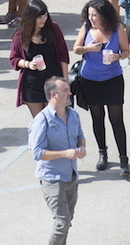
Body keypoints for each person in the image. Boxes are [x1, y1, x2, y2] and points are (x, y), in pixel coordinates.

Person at [72, 0, 130, 178]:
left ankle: (123, 159)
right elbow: (76, 48)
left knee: (116, 119)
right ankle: (102, 153)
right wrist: (87, 49)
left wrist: (118, 56)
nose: (91, 18)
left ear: (103, 15)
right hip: (90, 80)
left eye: (94, 15)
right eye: (89, 15)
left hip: (112, 80)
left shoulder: (117, 28)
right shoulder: (87, 28)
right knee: (97, 118)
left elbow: (127, 51)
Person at [27, 76, 86, 245]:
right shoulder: (41, 120)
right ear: (54, 95)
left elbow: (80, 137)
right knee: (62, 223)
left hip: (71, 177)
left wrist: (82, 148)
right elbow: (37, 152)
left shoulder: (73, 115)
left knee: (67, 221)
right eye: (65, 90)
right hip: (52, 179)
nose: (70, 93)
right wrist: (64, 153)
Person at [9, 0, 70, 117]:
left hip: (53, 83)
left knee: (54, 121)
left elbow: (63, 55)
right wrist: (28, 64)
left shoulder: (53, 29)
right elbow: (14, 58)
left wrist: (65, 81)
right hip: (32, 86)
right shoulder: (20, 36)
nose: (44, 20)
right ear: (31, 17)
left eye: (45, 15)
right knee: (40, 124)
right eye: (39, 17)